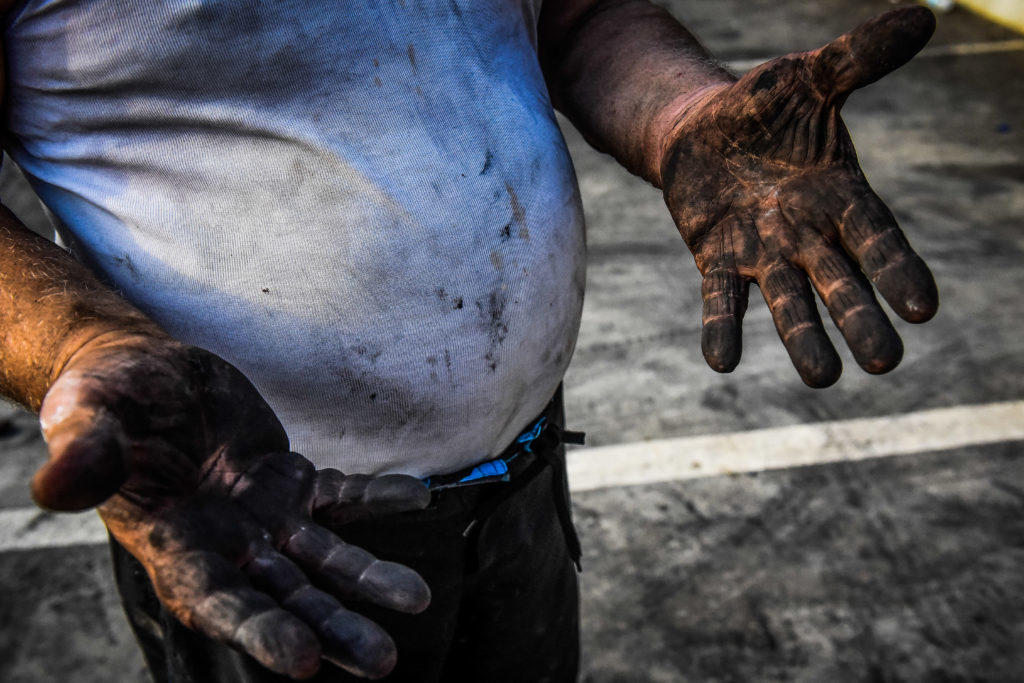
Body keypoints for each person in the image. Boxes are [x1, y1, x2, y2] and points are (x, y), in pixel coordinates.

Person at [0, 0, 939, 681]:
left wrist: (680, 115)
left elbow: (567, 14)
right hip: (257, 524)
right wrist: (80, 343)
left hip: (520, 476)